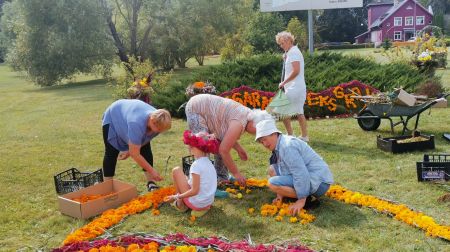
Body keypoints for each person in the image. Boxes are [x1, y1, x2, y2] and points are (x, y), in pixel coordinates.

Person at [185, 94, 271, 185]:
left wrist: (239, 149)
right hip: (196, 108)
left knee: (217, 144)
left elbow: (225, 136)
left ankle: (221, 177)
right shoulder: (239, 122)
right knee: (202, 147)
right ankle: (205, 184)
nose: (257, 133)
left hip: (205, 107)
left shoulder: (247, 115)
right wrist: (236, 173)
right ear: (253, 123)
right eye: (257, 130)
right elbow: (224, 150)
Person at [255, 119, 333, 215]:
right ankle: (299, 194)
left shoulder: (287, 146)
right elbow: (284, 168)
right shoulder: (280, 143)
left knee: (272, 183)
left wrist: (301, 199)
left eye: (265, 139)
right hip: (311, 177)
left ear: (274, 133)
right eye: (262, 142)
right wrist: (280, 194)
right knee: (272, 170)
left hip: (319, 183)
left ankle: (308, 198)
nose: (265, 144)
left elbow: (300, 173)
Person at [102, 99, 172, 191]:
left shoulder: (159, 121)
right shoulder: (136, 122)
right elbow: (135, 154)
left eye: (161, 130)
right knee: (111, 152)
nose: (159, 132)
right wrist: (152, 170)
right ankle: (107, 187)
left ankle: (151, 183)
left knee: (146, 149)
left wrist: (130, 150)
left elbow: (143, 142)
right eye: (158, 129)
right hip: (114, 116)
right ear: (152, 121)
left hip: (130, 114)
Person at [165, 130, 220, 217]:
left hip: (197, 203)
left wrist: (176, 197)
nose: (189, 148)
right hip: (208, 202)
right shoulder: (209, 163)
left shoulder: (196, 165)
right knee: (185, 178)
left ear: (197, 148)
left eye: (192, 146)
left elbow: (194, 191)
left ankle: (180, 205)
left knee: (176, 170)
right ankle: (202, 209)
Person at [275, 31, 309, 142]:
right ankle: (304, 136)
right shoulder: (292, 52)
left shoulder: (293, 53)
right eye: (280, 44)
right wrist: (286, 58)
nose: (281, 46)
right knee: (299, 112)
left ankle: (290, 135)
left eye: (282, 43)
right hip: (299, 88)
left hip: (294, 88)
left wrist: (283, 83)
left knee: (282, 111)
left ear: (289, 41)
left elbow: (296, 71)